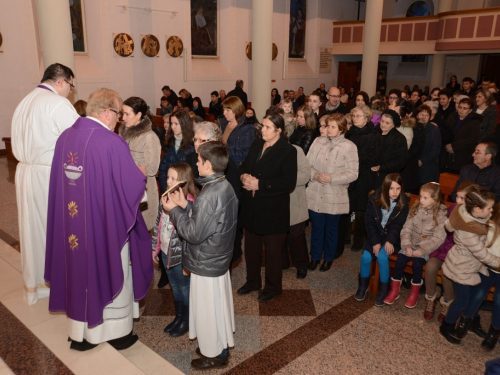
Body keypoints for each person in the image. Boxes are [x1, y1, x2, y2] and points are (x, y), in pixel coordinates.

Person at [45, 88, 153, 351]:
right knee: (109, 266)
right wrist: (141, 178)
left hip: (72, 224)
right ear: (106, 112)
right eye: (117, 113)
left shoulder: (65, 138)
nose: (117, 120)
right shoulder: (110, 142)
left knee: (79, 269)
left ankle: (80, 331)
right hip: (102, 227)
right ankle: (115, 332)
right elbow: (131, 186)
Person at [163, 142, 237, 370]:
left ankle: (213, 355)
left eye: (198, 160)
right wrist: (185, 204)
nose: (196, 163)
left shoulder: (208, 195)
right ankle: (218, 344)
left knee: (207, 310)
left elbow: (194, 233)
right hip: (217, 259)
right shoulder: (224, 186)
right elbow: (207, 221)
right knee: (216, 307)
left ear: (208, 164)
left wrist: (173, 211)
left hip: (206, 261)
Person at [11, 62, 79, 305]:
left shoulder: (26, 100)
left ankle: (36, 285)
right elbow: (79, 140)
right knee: (53, 229)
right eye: (70, 86)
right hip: (48, 175)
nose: (70, 91)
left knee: (32, 229)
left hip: (26, 174)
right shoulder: (57, 103)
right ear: (61, 81)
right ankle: (56, 283)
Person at [237, 113, 297, 302]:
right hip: (252, 206)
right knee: (252, 248)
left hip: (273, 209)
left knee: (272, 252)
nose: (262, 130)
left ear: (279, 130)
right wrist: (243, 177)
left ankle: (273, 287)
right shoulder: (256, 144)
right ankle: (252, 281)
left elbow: (288, 182)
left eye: (268, 127)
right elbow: (244, 167)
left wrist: (260, 185)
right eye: (262, 126)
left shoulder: (287, 151)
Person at [440, 186, 500, 345]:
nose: (491, 210)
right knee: (462, 301)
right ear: (478, 209)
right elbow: (482, 254)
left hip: (464, 265)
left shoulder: (470, 215)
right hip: (462, 268)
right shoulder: (470, 231)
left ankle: (468, 321)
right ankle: (446, 325)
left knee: (468, 296)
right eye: (489, 208)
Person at [306, 114, 359, 271]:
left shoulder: (349, 147)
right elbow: (307, 164)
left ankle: (328, 258)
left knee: (331, 228)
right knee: (316, 227)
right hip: (316, 191)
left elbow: (353, 173)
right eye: (327, 126)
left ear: (342, 129)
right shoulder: (318, 141)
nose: (328, 129)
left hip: (334, 193)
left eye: (332, 126)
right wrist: (316, 175)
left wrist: (331, 178)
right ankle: (315, 257)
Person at [384, 183, 447, 308]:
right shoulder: (416, 208)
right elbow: (406, 228)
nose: (421, 200)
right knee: (400, 260)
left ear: (434, 199)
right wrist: (406, 245)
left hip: (426, 248)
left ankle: (414, 293)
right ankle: (394, 290)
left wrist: (423, 250)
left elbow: (438, 239)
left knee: (417, 264)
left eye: (425, 198)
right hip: (410, 243)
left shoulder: (441, 216)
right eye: (420, 196)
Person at [152, 163, 198, 337]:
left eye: (173, 178)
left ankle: (186, 321)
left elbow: (191, 232)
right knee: (175, 287)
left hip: (180, 257)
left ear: (183, 182)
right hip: (165, 252)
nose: (168, 181)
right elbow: (158, 225)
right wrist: (154, 249)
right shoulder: (164, 198)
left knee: (185, 288)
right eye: (168, 177)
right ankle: (178, 317)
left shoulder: (189, 203)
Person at [423, 181, 475, 322]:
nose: (457, 200)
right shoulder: (453, 208)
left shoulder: (473, 216)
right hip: (443, 248)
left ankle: (448, 301)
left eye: (462, 199)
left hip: (458, 254)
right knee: (431, 266)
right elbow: (443, 232)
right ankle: (431, 298)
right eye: (457, 197)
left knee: (447, 272)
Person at [355, 173, 409, 306]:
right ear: (385, 188)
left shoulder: (403, 203)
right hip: (375, 236)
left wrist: (390, 241)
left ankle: (384, 289)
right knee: (366, 258)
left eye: (398, 188)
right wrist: (375, 242)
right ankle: (363, 285)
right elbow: (369, 223)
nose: (395, 192)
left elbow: (397, 226)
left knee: (382, 257)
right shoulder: (374, 200)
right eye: (392, 189)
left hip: (392, 238)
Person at [456, 205, 500, 351]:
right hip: (488, 266)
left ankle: (494, 333)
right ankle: (465, 321)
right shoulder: (490, 224)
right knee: (478, 293)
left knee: (499, 300)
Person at [119, 97, 161, 230]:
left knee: (142, 232)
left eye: (127, 114)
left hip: (144, 191)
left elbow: (152, 168)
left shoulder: (149, 137)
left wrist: (128, 168)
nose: (123, 118)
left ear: (139, 115)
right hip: (126, 188)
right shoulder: (123, 134)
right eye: (122, 113)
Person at [345, 105, 382, 251]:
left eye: (358, 116)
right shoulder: (349, 134)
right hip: (349, 174)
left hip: (365, 176)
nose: (354, 118)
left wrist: (355, 157)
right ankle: (345, 236)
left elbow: (375, 157)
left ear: (367, 118)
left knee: (361, 210)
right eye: (353, 116)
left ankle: (359, 240)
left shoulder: (374, 136)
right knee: (346, 207)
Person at [282, 144, 310, 279]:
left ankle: (301, 265)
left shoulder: (295, 150)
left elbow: (305, 175)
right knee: (278, 234)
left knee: (296, 235)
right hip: (274, 200)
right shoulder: (265, 149)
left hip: (294, 199)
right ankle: (283, 262)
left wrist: (282, 180)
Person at [441, 97, 482, 174]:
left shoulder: (474, 122)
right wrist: (447, 145)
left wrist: (454, 146)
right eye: (460, 107)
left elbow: (473, 139)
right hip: (446, 154)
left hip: (463, 155)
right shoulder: (452, 117)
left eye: (465, 108)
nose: (461, 110)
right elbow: (444, 132)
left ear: (470, 110)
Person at [158, 110, 195, 194]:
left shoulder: (192, 144)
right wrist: (165, 189)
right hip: (169, 186)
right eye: (171, 123)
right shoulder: (169, 141)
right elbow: (163, 168)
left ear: (184, 124)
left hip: (184, 190)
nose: (172, 127)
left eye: (176, 124)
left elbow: (191, 174)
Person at [372, 110, 409, 186]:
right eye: (382, 121)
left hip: (389, 177)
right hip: (372, 175)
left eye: (387, 123)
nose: (383, 124)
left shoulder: (399, 138)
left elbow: (401, 161)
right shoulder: (374, 133)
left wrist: (381, 167)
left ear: (393, 125)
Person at [219, 96, 256, 165]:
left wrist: (223, 151)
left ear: (236, 110)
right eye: (224, 110)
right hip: (221, 164)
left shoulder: (247, 128)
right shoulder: (222, 124)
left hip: (235, 167)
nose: (224, 113)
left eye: (227, 110)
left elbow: (246, 153)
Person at [417, 105, 442, 185]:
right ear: (417, 115)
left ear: (430, 117)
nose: (424, 117)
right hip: (414, 168)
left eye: (426, 115)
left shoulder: (434, 130)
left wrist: (422, 161)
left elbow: (435, 150)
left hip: (428, 168)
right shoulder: (413, 127)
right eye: (422, 114)